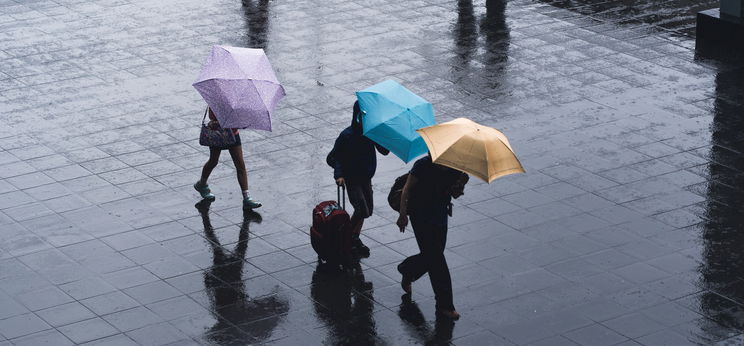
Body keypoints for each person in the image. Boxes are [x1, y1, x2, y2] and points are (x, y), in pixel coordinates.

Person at [396, 155, 469, 320]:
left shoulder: (454, 167)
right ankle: (445, 305)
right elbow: (407, 189)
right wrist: (402, 214)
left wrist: (461, 184)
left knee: (433, 256)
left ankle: (408, 269)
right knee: (437, 261)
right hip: (421, 217)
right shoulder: (422, 165)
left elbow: (454, 194)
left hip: (440, 217)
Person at [328, 101, 389, 258]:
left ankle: (353, 236)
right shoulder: (347, 136)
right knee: (361, 209)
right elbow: (334, 157)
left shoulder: (371, 133)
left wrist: (383, 135)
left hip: (366, 178)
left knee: (367, 210)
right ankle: (348, 237)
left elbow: (384, 151)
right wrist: (339, 175)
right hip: (352, 179)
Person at [194, 107, 261, 209]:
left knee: (240, 165)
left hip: (233, 134)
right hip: (218, 134)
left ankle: (246, 198)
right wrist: (218, 122)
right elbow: (212, 116)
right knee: (213, 161)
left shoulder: (237, 100)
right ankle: (202, 184)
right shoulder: (217, 97)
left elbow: (241, 119)